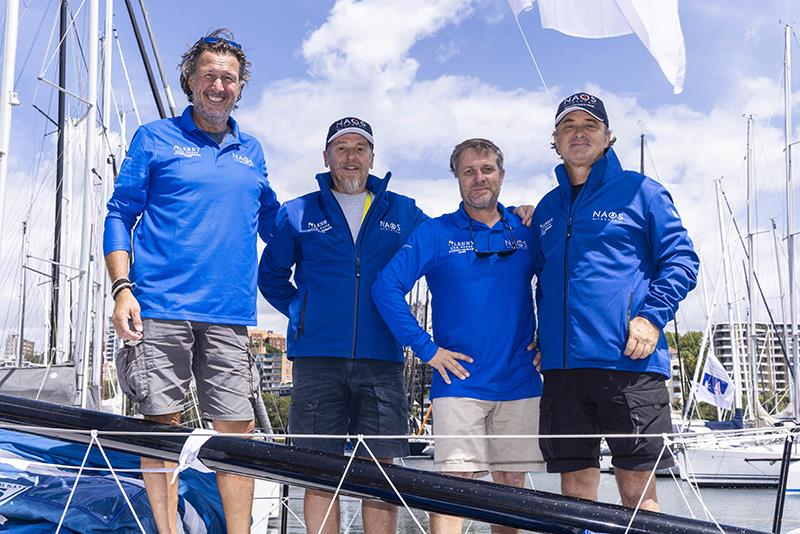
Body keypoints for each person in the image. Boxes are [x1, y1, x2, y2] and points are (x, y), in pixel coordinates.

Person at [103, 29, 279, 534]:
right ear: (190, 80)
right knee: (161, 429)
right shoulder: (155, 138)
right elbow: (119, 215)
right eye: (209, 76)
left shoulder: (254, 151)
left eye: (229, 78)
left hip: (229, 314)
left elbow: (275, 222)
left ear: (241, 87)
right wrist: (122, 288)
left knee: (238, 432)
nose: (218, 86)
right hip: (158, 307)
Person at [530, 92, 699, 512]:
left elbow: (682, 260)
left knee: (637, 494)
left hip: (629, 365)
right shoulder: (548, 208)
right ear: (555, 140)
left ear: (608, 137)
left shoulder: (642, 191)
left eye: (590, 125)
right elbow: (539, 278)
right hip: (563, 371)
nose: (579, 133)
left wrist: (651, 318)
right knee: (576, 493)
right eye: (568, 126)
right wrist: (539, 334)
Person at [257, 117, 427, 534]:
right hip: (317, 360)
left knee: (379, 474)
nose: (351, 157)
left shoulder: (403, 211)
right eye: (342, 148)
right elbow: (271, 277)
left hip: (382, 359)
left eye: (360, 148)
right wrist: (303, 312)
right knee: (319, 469)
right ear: (327, 156)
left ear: (372, 157)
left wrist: (512, 212)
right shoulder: (296, 212)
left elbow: (445, 242)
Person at [373, 138, 544, 534]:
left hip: (519, 380)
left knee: (511, 491)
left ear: (501, 175)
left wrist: (548, 340)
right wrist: (427, 349)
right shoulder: (435, 233)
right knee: (454, 490)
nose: (478, 178)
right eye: (468, 171)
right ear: (457, 178)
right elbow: (386, 288)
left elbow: (554, 284)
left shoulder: (526, 228)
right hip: (459, 383)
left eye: (486, 169)